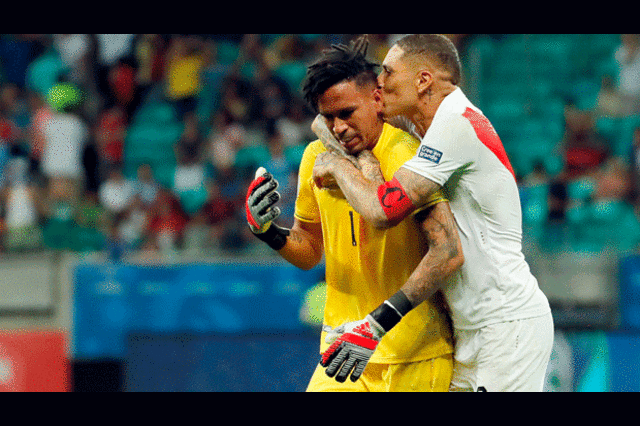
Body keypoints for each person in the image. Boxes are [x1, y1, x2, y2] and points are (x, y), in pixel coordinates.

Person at [311, 34, 554, 392]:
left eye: (389, 73)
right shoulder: (427, 128)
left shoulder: (455, 123)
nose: (380, 82)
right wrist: (359, 154)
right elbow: (322, 124)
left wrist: (338, 165)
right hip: (470, 329)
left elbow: (382, 209)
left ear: (423, 81)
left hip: (506, 324)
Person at [245, 37, 460, 392]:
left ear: (377, 99)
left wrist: (378, 324)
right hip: (342, 353)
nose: (339, 127)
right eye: (328, 118)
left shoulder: (407, 156)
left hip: (413, 356)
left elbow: (446, 251)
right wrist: (267, 230)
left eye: (347, 113)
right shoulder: (315, 157)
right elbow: (310, 249)